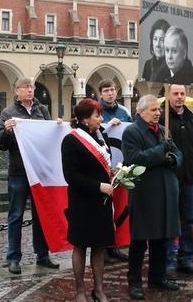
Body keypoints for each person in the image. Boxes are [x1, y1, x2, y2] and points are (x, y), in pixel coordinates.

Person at [0, 77, 62, 275]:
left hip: (39, 171)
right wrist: (7, 131)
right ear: (16, 91)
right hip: (18, 172)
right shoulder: (8, 113)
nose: (29, 90)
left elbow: (49, 137)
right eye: (25, 87)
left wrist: (56, 126)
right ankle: (13, 258)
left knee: (41, 215)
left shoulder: (42, 110)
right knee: (15, 215)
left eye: (31, 87)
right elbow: (0, 144)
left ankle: (42, 254)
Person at [122, 94, 182, 300]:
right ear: (141, 111)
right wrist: (160, 152)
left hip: (166, 192)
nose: (158, 113)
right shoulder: (132, 131)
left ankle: (157, 277)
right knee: (140, 240)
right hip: (145, 194)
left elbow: (178, 154)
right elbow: (134, 159)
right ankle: (135, 282)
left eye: (159, 110)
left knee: (161, 238)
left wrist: (171, 158)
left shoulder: (164, 131)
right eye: (154, 110)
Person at [61, 99, 115, 302]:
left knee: (99, 246)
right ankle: (80, 290)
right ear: (85, 119)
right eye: (97, 115)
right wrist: (98, 186)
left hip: (101, 200)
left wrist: (114, 175)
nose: (101, 119)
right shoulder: (71, 140)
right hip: (82, 200)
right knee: (81, 245)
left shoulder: (103, 137)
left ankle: (99, 289)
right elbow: (71, 175)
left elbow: (104, 167)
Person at [161, 85, 193, 279]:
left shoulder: (192, 119)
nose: (179, 97)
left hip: (189, 178)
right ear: (168, 95)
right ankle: (168, 261)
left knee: (188, 220)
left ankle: (186, 259)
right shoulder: (162, 118)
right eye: (175, 94)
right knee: (170, 221)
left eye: (182, 94)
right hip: (170, 177)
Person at [96, 79, 130, 263]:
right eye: (106, 90)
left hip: (120, 167)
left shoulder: (124, 112)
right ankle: (102, 248)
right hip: (101, 168)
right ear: (100, 93)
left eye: (113, 90)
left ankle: (114, 246)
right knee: (102, 210)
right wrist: (106, 125)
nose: (110, 93)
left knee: (117, 208)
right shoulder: (95, 111)